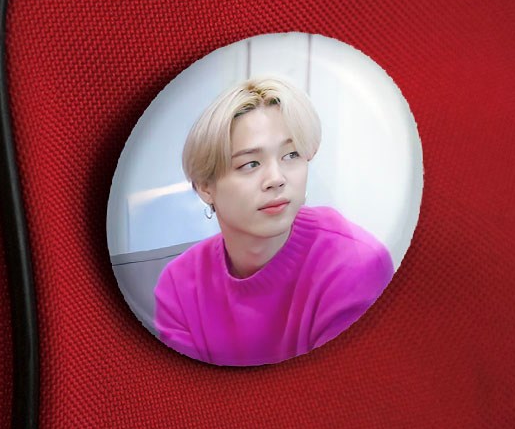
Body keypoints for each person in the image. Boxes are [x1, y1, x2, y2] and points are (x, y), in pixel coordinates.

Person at [154, 76, 393, 366]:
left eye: (291, 155)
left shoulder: (356, 265)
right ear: (205, 187)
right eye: (250, 164)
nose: (276, 179)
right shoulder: (178, 285)